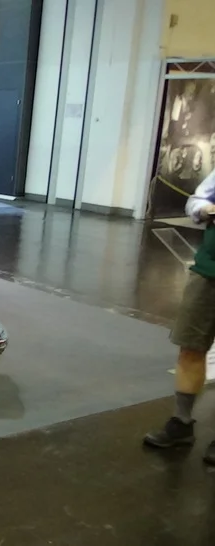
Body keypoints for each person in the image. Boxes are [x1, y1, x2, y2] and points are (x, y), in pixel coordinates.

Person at [144, 167, 215, 464]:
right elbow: (196, 202)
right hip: (209, 270)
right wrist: (207, 209)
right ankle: (181, 423)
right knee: (190, 346)